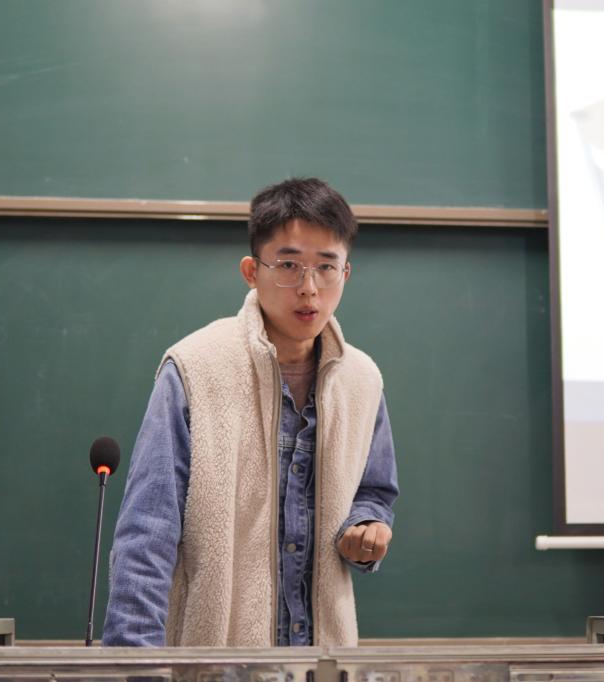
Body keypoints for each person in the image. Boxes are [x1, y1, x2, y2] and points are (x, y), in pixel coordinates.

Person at [102, 177, 398, 648]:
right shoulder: (194, 368)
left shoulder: (363, 380)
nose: (308, 288)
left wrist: (365, 527)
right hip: (215, 662)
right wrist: (133, 664)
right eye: (288, 265)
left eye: (326, 267)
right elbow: (147, 534)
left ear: (346, 273)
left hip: (324, 660)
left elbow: (375, 492)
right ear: (251, 271)